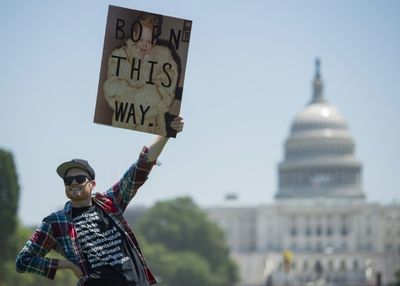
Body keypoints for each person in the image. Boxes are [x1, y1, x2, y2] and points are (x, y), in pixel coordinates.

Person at [15, 116, 184, 286]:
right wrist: (67, 265)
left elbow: (141, 166)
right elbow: (23, 260)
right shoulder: (56, 222)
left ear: (92, 184)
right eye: (68, 180)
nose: (73, 183)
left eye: (80, 178)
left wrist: (166, 133)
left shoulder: (109, 202)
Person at [103, 13, 179, 136]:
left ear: (154, 41)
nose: (144, 44)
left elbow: (166, 97)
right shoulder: (122, 56)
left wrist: (144, 99)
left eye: (148, 41)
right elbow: (111, 89)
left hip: (150, 126)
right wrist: (138, 95)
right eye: (141, 39)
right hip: (124, 122)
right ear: (134, 35)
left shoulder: (163, 59)